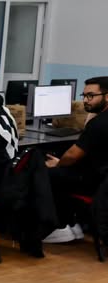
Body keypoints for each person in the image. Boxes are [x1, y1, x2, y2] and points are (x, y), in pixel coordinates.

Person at [43, 77, 108, 243]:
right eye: (84, 96)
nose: (85, 100)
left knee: (49, 174)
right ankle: (73, 225)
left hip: (96, 182)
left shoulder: (99, 123)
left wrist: (58, 163)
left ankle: (59, 226)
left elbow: (72, 155)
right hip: (101, 179)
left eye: (91, 96)